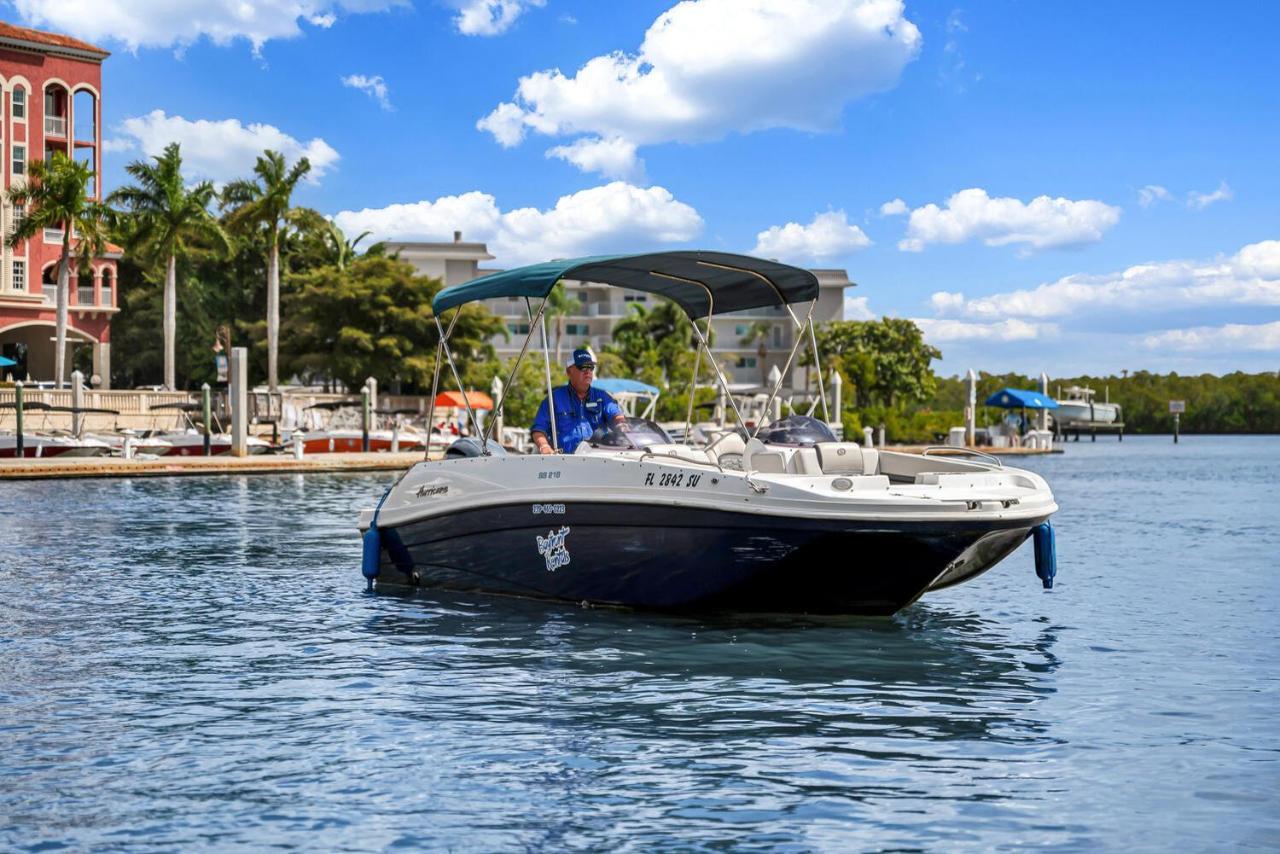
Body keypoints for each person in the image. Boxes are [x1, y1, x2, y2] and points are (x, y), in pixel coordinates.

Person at [531, 347, 626, 454]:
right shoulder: (554, 399)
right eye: (583, 367)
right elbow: (538, 429)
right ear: (569, 372)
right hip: (565, 462)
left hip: (598, 460)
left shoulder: (602, 397)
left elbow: (618, 416)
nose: (588, 372)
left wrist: (622, 426)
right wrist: (544, 446)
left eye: (591, 367)